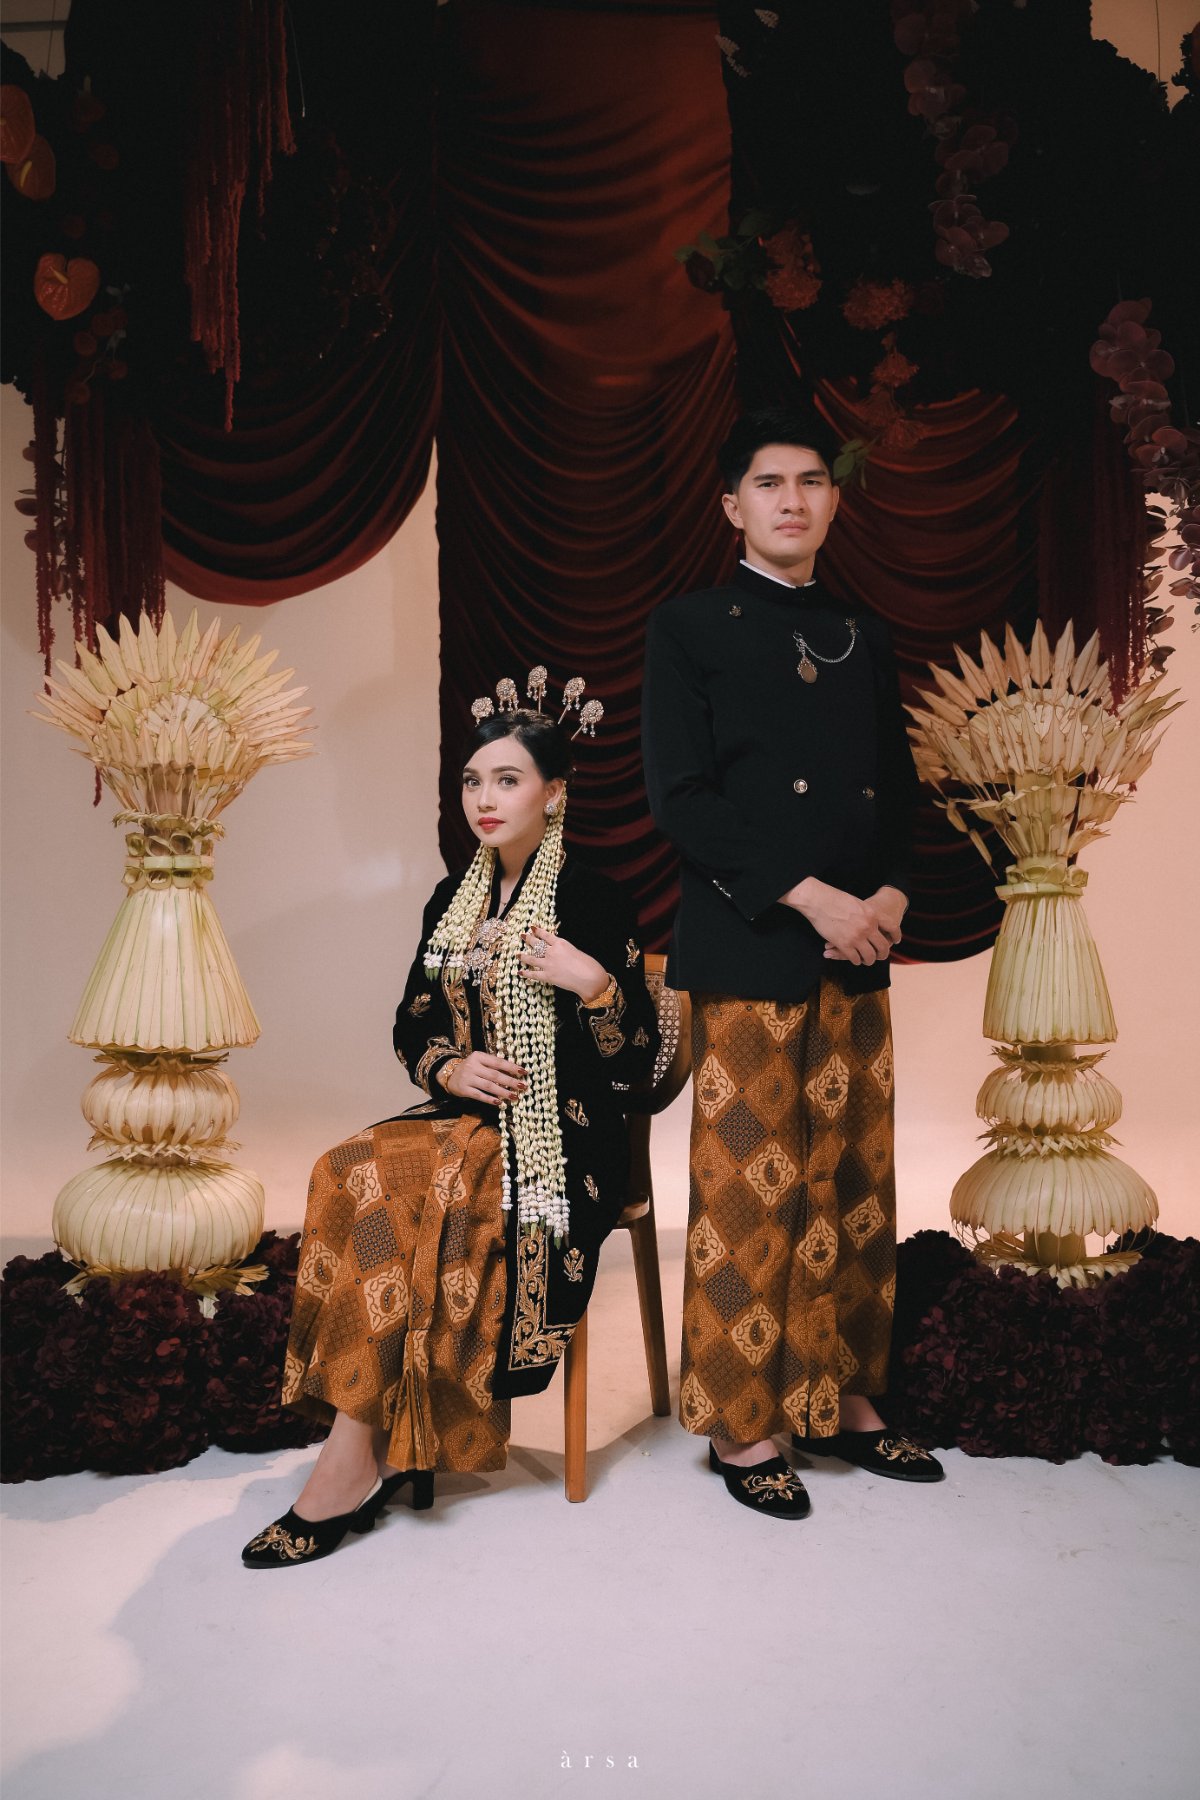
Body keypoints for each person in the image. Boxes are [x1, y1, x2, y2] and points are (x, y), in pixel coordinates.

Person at [243, 676, 659, 1567]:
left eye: (508, 780)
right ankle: (378, 1432)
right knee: (347, 1167)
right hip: (463, 1117)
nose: (484, 799)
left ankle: (350, 1465)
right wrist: (450, 1066)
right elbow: (412, 1023)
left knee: (424, 1189)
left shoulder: (594, 898)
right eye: (473, 780)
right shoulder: (451, 901)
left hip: (561, 1140)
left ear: (554, 793)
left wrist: (594, 985)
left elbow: (637, 1061)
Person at [641, 405, 943, 1519]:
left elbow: (898, 794)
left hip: (857, 947)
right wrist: (813, 898)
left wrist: (891, 896)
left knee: (853, 1183)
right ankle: (742, 1423)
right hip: (753, 944)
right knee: (747, 1192)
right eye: (769, 483)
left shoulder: (863, 631)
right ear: (733, 505)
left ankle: (848, 1397)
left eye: (812, 481)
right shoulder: (689, 627)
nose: (793, 500)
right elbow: (683, 798)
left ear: (833, 501)